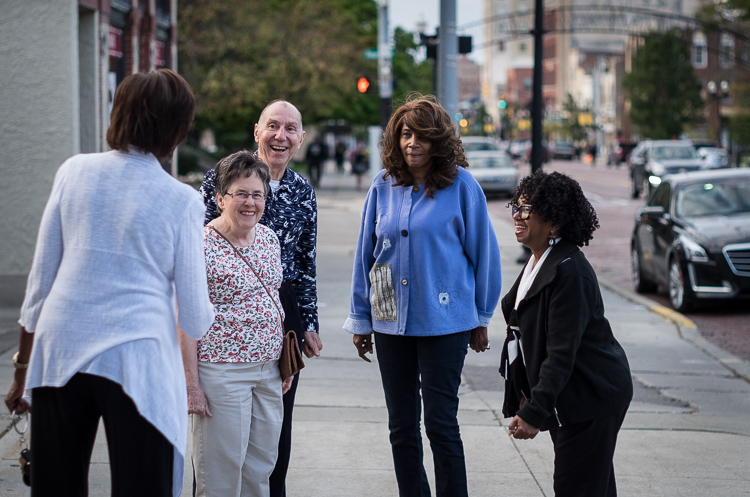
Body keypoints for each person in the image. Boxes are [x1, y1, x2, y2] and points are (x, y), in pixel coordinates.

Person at [3, 69, 215, 497]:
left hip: (59, 350)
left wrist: (21, 370)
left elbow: (40, 284)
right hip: (137, 359)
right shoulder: (182, 200)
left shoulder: (74, 171)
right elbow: (194, 317)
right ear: (176, 128)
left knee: (55, 486)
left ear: (119, 113)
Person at [344, 96, 502, 497]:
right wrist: (362, 321)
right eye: (405, 134)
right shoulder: (382, 186)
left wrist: (481, 317)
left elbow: (484, 254)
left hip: (445, 322)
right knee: (401, 425)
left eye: (422, 136)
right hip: (389, 320)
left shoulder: (462, 186)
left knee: (441, 424)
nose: (412, 143)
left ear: (439, 142)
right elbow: (369, 255)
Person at [199, 100, 322, 497]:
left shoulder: (303, 191)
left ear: (301, 139)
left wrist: (307, 324)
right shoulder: (221, 177)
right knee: (220, 453)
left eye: (290, 129)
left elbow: (304, 264)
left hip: (278, 321)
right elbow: (199, 260)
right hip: (224, 328)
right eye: (273, 126)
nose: (280, 136)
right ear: (257, 131)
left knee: (272, 442)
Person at [501, 170, 633, 496]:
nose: (518, 215)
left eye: (527, 208)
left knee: (576, 487)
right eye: (516, 207)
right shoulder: (540, 261)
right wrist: (526, 394)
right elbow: (529, 338)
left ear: (555, 223)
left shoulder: (569, 271)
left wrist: (534, 411)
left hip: (591, 397)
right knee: (591, 485)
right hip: (575, 397)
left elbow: (561, 352)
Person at [181, 151, 293, 497]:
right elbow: (184, 319)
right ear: (218, 198)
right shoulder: (199, 245)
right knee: (220, 474)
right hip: (222, 373)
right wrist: (192, 385)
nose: (250, 202)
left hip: (270, 371)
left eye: (257, 194)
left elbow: (274, 298)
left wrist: (283, 362)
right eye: (240, 193)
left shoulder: (268, 239)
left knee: (260, 471)